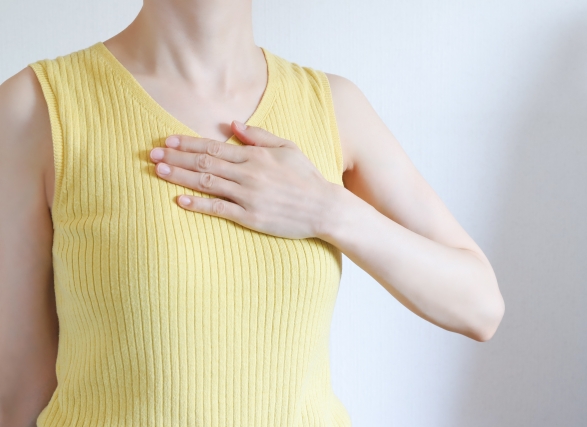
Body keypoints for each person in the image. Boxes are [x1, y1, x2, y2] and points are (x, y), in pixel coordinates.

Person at [0, 0, 505, 425]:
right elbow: (19, 389)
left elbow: (479, 306)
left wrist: (327, 209)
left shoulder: (334, 107)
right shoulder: (36, 108)